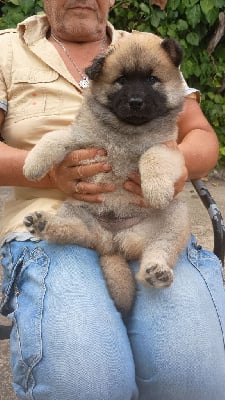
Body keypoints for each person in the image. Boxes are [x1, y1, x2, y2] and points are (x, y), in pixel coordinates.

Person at [0, 1, 224, 399]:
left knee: (192, 374)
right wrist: (50, 170)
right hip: (57, 223)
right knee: (88, 381)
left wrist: (174, 164)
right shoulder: (6, 50)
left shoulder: (150, 47)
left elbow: (204, 140)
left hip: (148, 219)